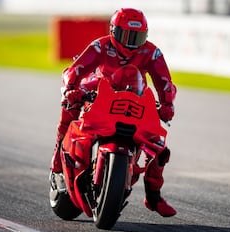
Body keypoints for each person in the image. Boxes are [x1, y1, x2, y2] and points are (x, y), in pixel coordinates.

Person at [50, 8, 177, 217]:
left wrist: (167, 104)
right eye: (126, 36)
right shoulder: (101, 45)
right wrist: (70, 88)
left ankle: (154, 196)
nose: (131, 43)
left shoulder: (151, 52)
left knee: (161, 149)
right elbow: (76, 69)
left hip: (135, 100)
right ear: (113, 31)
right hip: (99, 92)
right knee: (69, 108)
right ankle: (57, 167)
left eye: (137, 37)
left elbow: (164, 82)